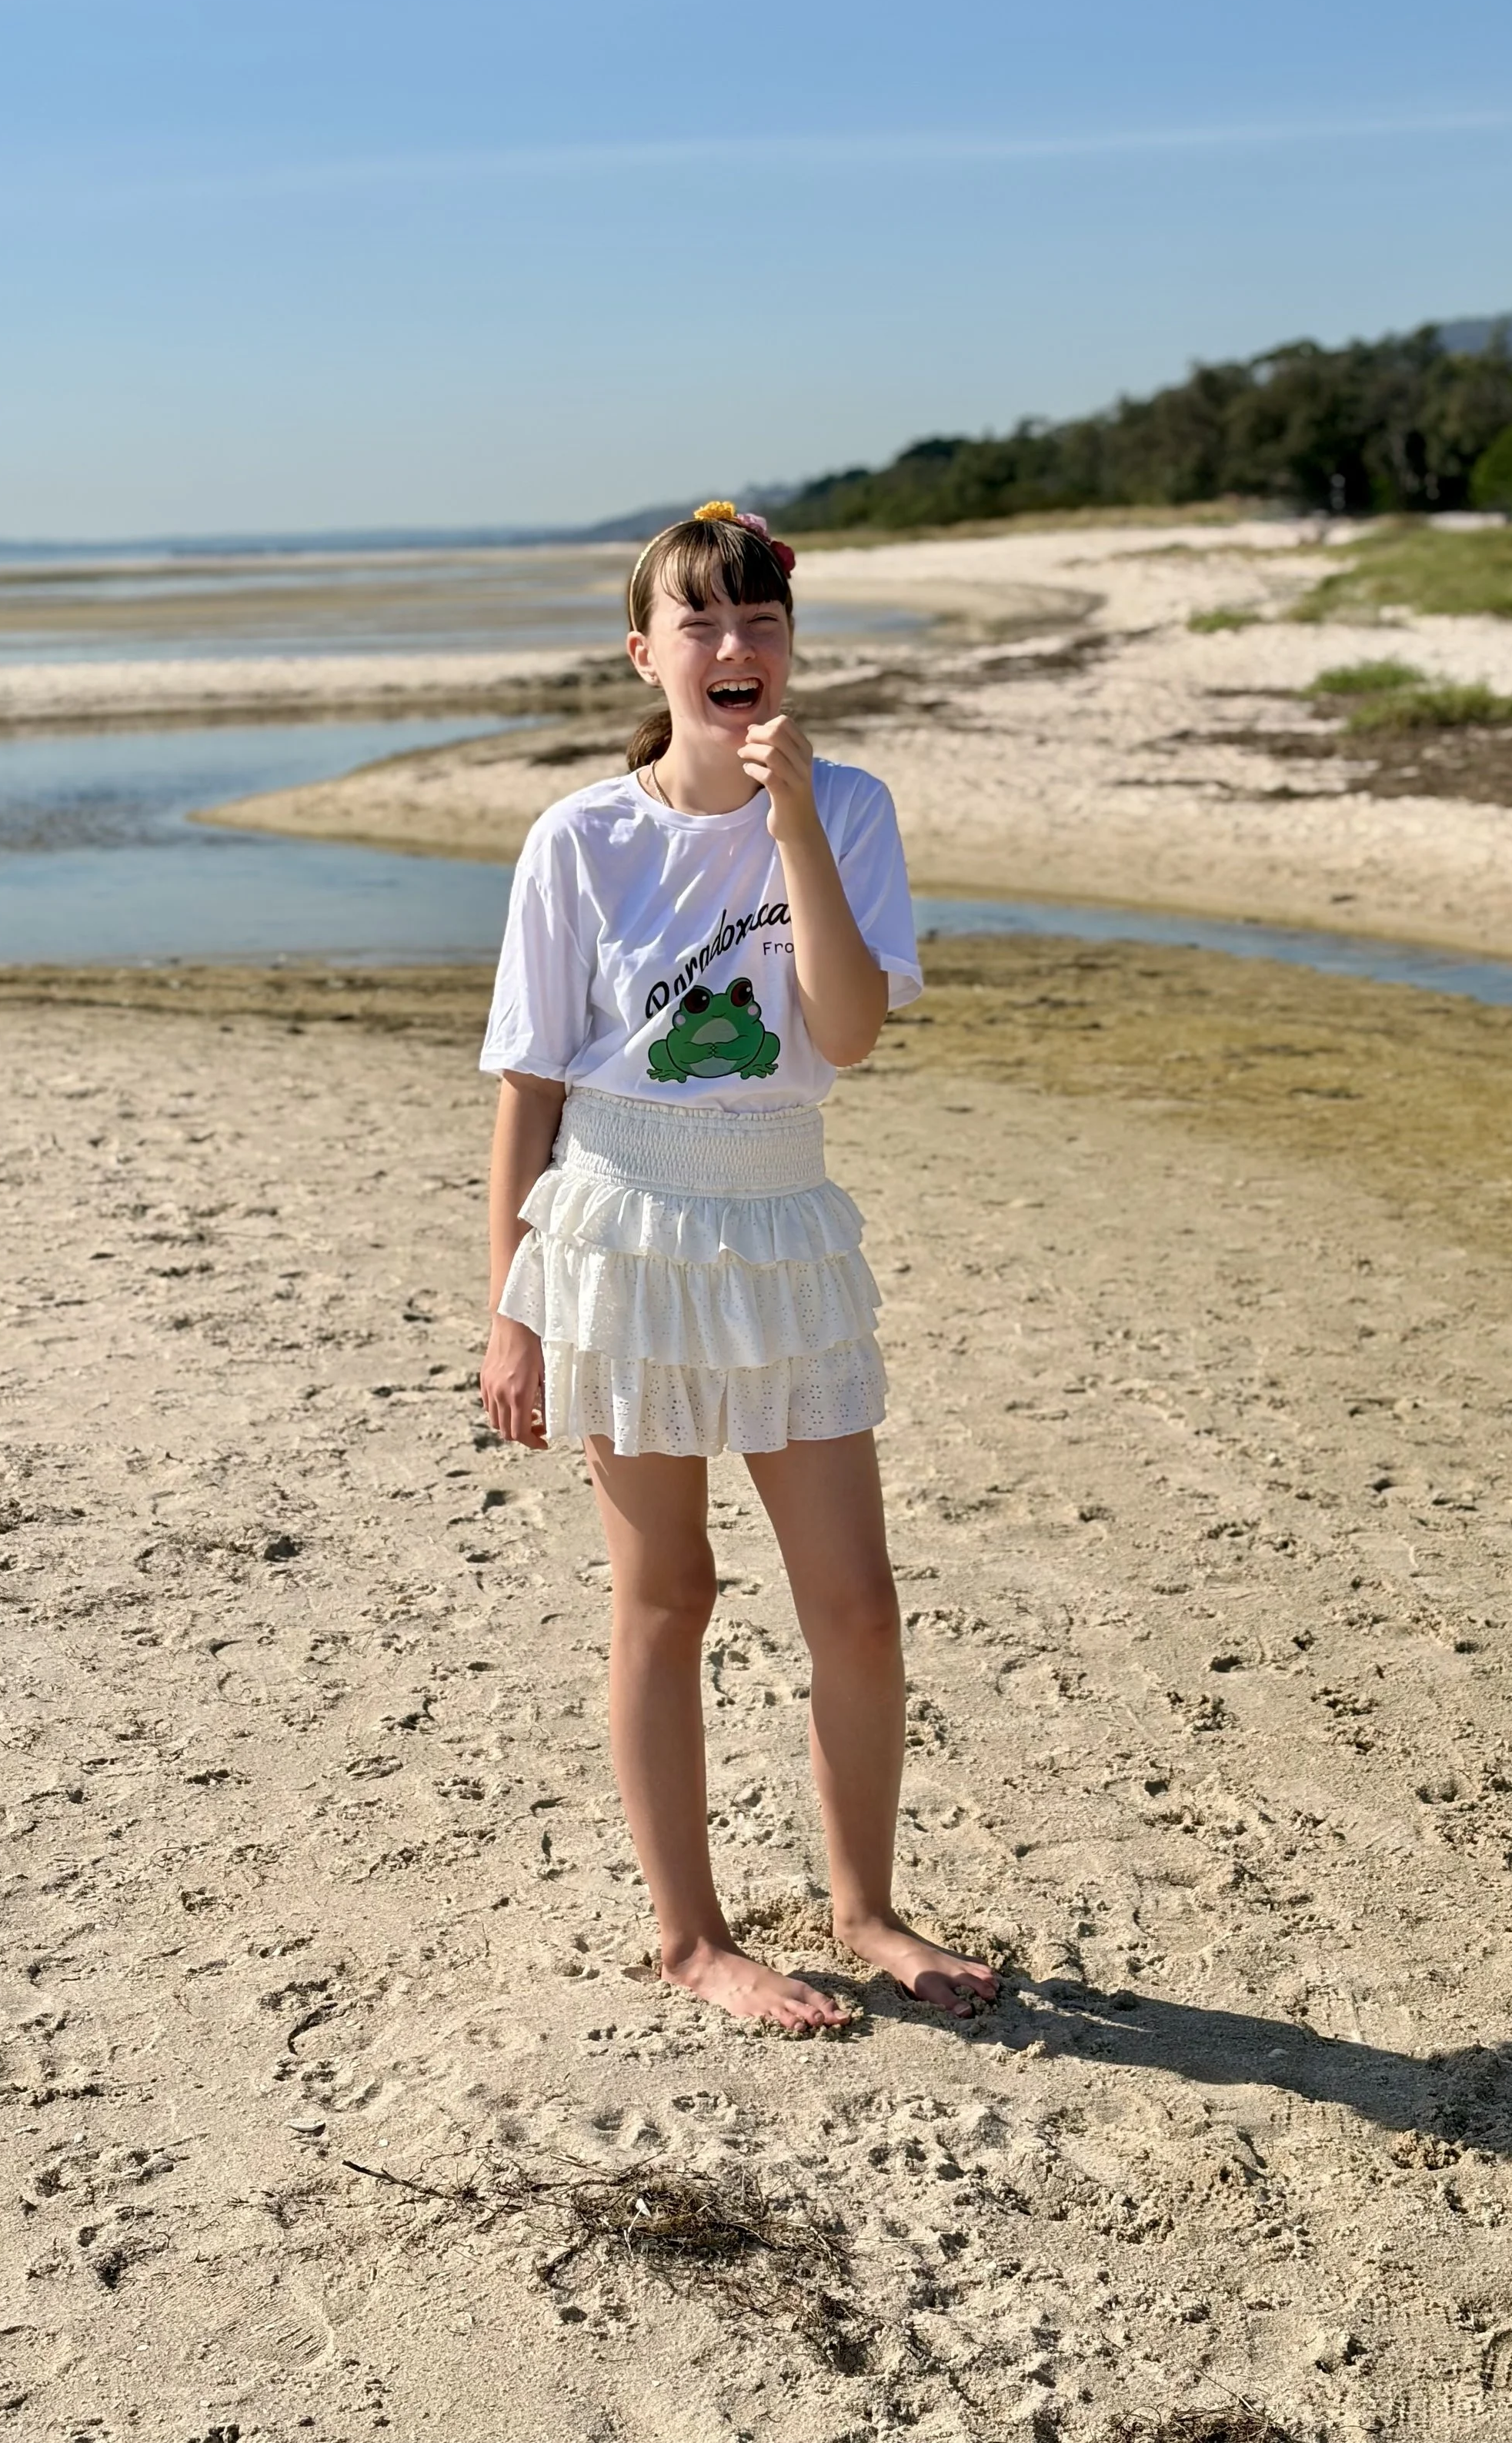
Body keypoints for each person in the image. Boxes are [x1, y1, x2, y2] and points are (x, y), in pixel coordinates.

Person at [478, 503, 998, 2034]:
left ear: (788, 649)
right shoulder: (579, 837)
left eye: (757, 623)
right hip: (621, 1228)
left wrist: (785, 828)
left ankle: (865, 1907)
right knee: (669, 1592)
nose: (732, 647)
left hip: (781, 1222)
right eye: (697, 623)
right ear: (645, 652)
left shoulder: (845, 807)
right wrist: (507, 1309)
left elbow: (842, 1032)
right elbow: (525, 1083)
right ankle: (693, 1939)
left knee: (855, 1603)